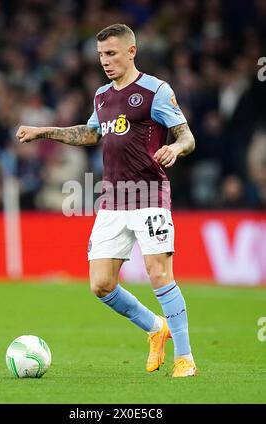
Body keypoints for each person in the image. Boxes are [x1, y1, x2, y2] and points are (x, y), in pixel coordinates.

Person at [16, 23, 197, 377]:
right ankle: (154, 327)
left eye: (111, 54)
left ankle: (185, 357)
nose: (105, 61)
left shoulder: (155, 91)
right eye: (101, 55)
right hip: (113, 199)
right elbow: (90, 133)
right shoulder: (101, 95)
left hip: (149, 195)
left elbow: (186, 135)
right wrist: (44, 132)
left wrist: (175, 147)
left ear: (132, 51)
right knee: (100, 284)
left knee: (158, 273)